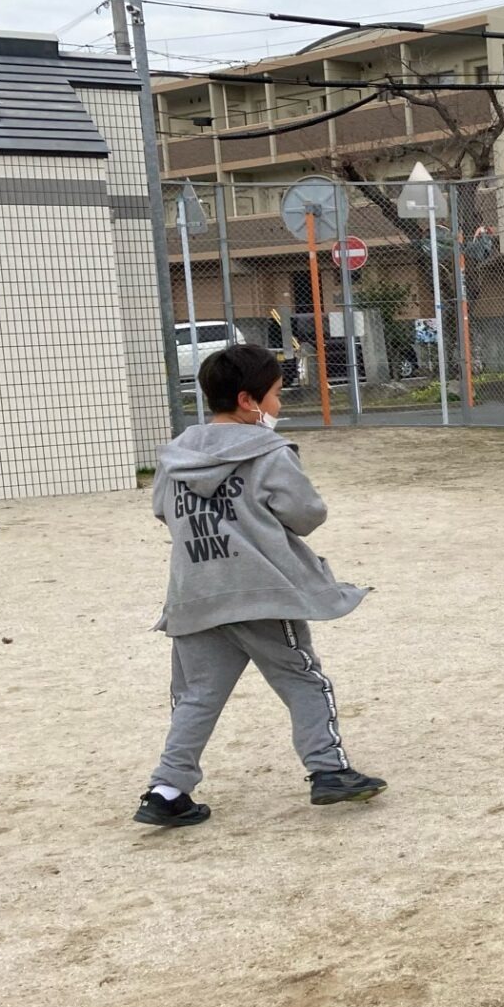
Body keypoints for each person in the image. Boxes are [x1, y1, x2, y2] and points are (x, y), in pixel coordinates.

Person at [135, 344, 386, 827]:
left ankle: (167, 790)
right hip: (262, 593)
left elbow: (163, 511)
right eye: (275, 395)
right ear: (249, 401)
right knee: (301, 678)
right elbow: (306, 514)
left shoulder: (175, 455)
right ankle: (329, 770)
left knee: (198, 695)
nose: (279, 405)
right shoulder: (270, 452)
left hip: (196, 592)